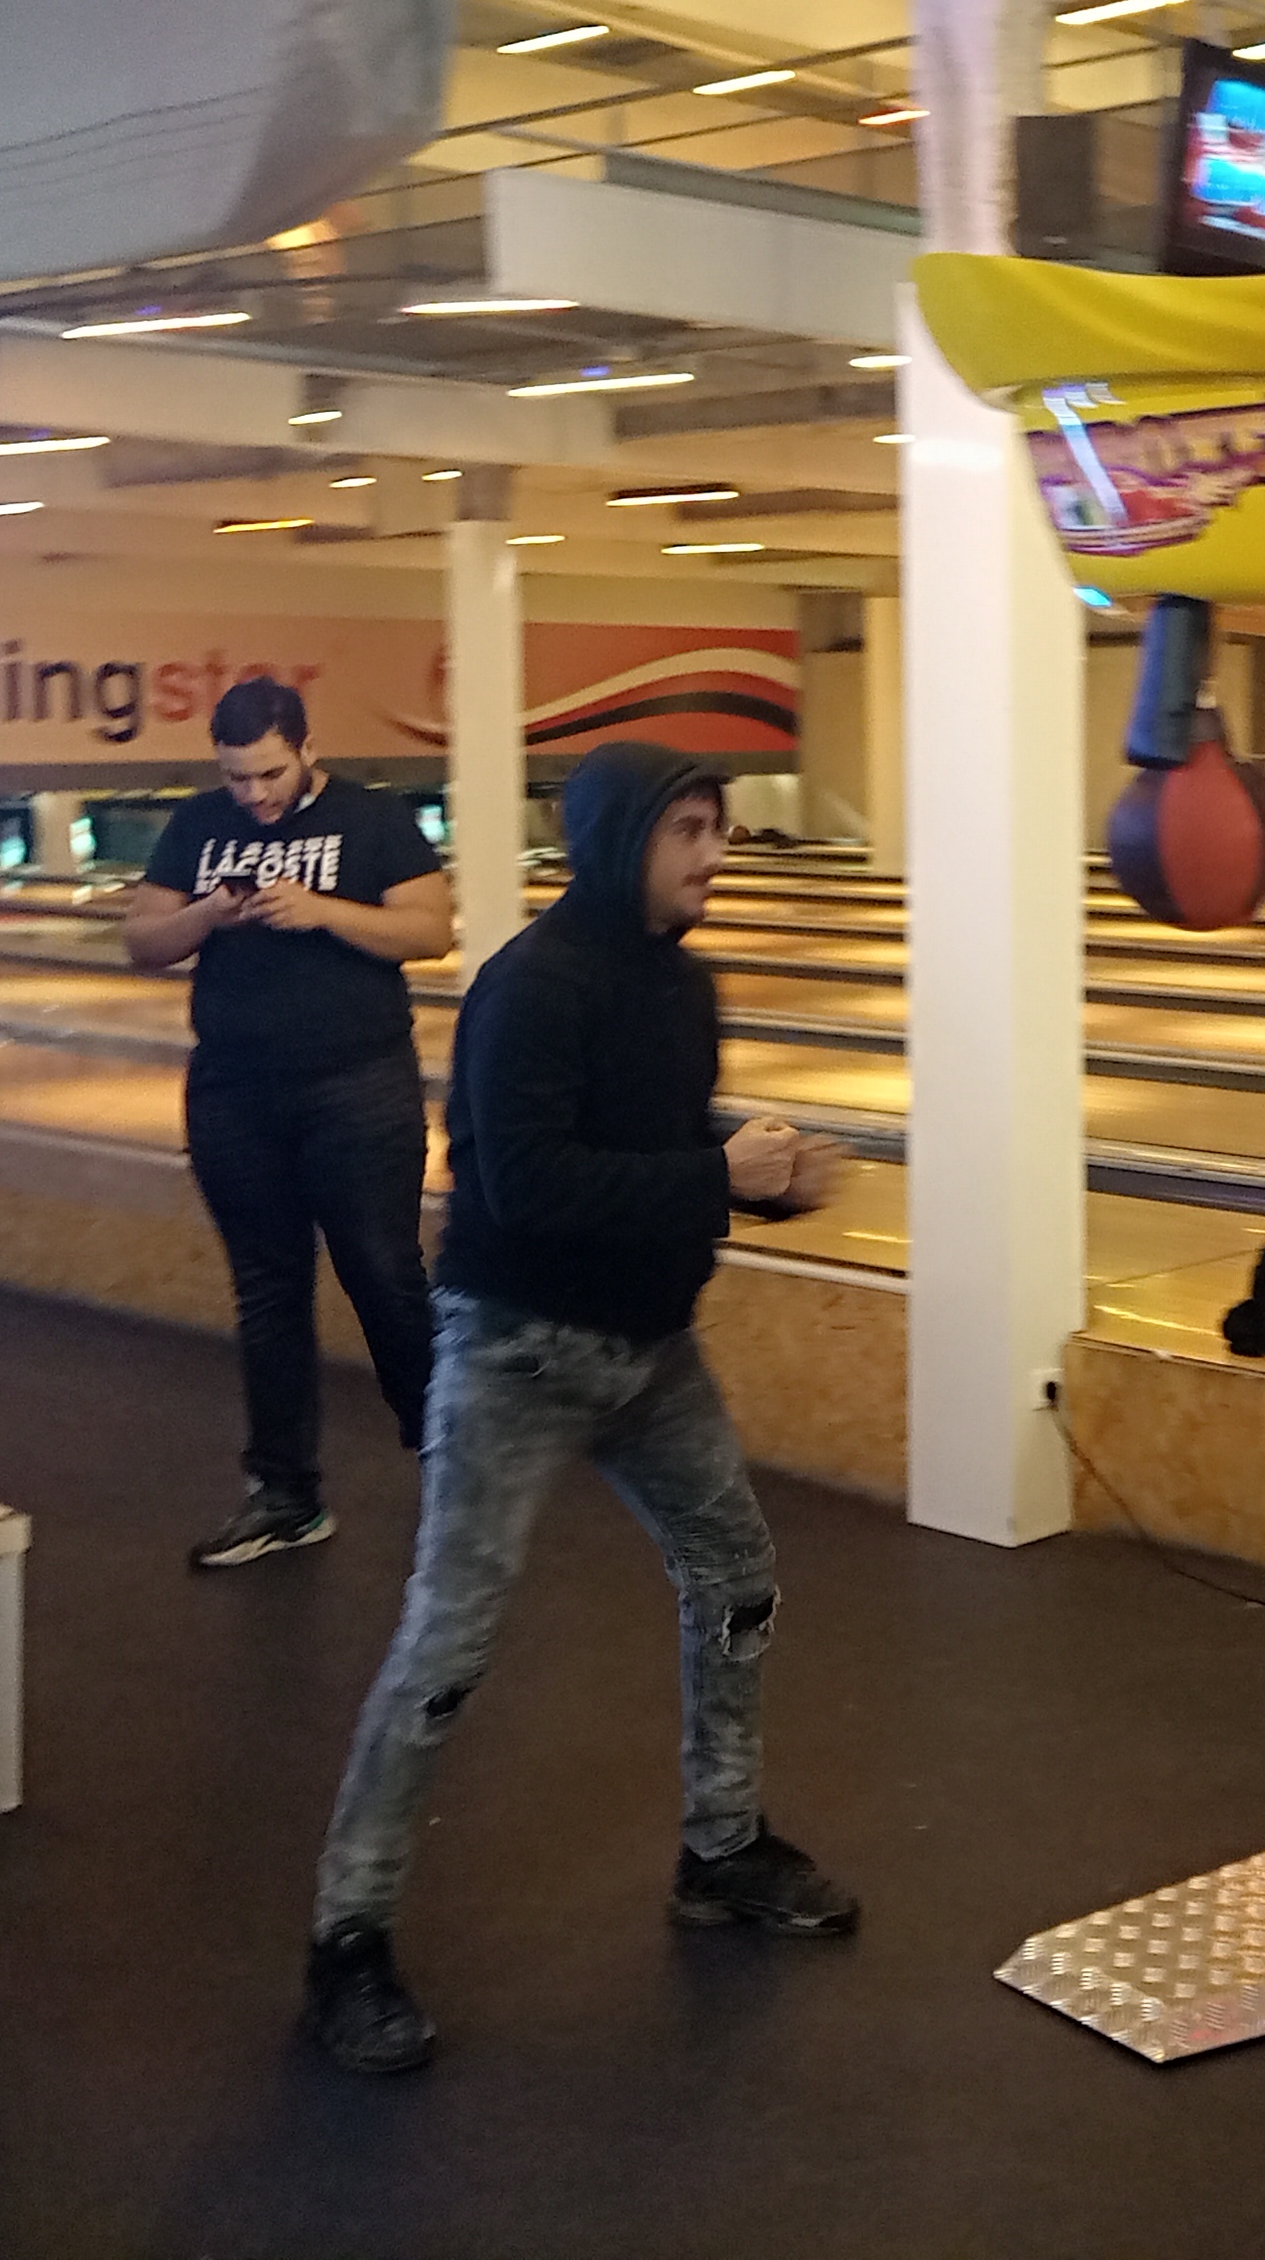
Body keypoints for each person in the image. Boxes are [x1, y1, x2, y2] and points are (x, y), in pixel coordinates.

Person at [301, 742, 856, 2076]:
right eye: (687, 831)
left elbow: (654, 1145)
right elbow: (526, 1184)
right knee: (448, 1647)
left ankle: (720, 1847)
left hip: (652, 1355)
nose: (712, 854)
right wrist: (718, 1177)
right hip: (516, 1353)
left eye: (717, 828)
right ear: (620, 840)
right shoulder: (532, 986)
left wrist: (760, 1180)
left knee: (736, 1579)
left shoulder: (683, 982)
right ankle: (347, 1939)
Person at [125, 681, 451, 1568]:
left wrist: (321, 910)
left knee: (382, 1274)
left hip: (358, 1086)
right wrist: (207, 912)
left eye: (270, 773)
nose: (255, 794)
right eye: (237, 777)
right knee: (268, 1291)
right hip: (233, 1092)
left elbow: (432, 930)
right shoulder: (198, 824)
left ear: (307, 748)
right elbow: (143, 942)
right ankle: (284, 1495)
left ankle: (456, 1463)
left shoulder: (373, 820)